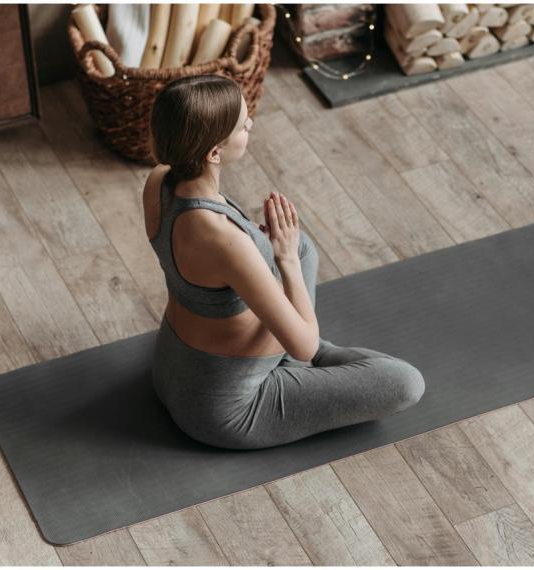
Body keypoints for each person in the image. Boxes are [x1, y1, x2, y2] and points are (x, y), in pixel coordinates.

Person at [143, 75, 425, 449]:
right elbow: (303, 348)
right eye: (242, 124)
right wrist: (285, 260)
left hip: (172, 370)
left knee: (300, 244)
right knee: (405, 383)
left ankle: (295, 333)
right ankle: (307, 354)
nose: (250, 125)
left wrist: (277, 250)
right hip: (229, 407)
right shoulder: (223, 239)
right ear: (213, 152)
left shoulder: (159, 179)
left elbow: (206, 261)